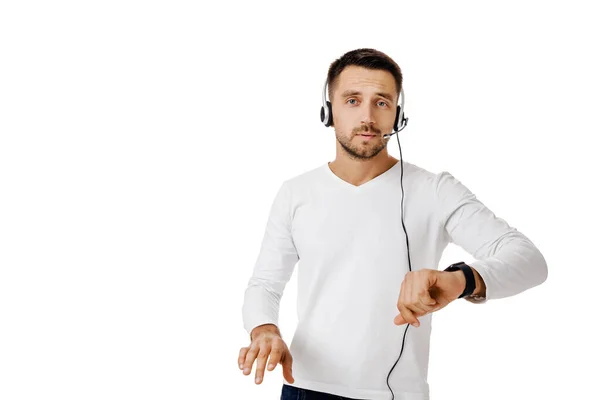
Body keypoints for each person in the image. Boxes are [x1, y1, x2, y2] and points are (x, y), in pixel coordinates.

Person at [238, 48, 548, 400]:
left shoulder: (435, 190)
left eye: (381, 103)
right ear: (329, 111)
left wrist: (459, 280)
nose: (367, 116)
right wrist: (263, 329)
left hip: (399, 394)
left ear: (398, 115)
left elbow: (530, 260)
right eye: (352, 100)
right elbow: (264, 284)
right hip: (306, 389)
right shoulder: (296, 192)